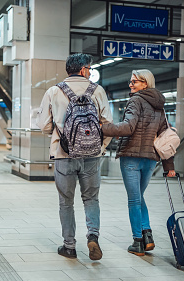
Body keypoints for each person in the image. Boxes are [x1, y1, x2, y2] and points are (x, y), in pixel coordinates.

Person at [36, 53, 113, 260]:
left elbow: (43, 125)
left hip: (63, 154)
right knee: (91, 199)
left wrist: (59, 134)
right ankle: (93, 236)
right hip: (92, 156)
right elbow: (108, 124)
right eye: (89, 68)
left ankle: (69, 246)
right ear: (82, 70)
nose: (90, 72)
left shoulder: (54, 91)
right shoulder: (97, 91)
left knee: (66, 202)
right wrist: (100, 147)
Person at [101, 69, 176, 256]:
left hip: (132, 157)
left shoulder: (135, 100)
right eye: (130, 81)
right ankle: (147, 235)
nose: (131, 84)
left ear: (145, 83)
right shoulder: (159, 105)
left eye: (135, 81)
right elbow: (165, 135)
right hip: (150, 159)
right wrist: (169, 165)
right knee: (139, 197)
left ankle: (138, 241)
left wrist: (103, 128)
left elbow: (127, 127)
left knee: (134, 200)